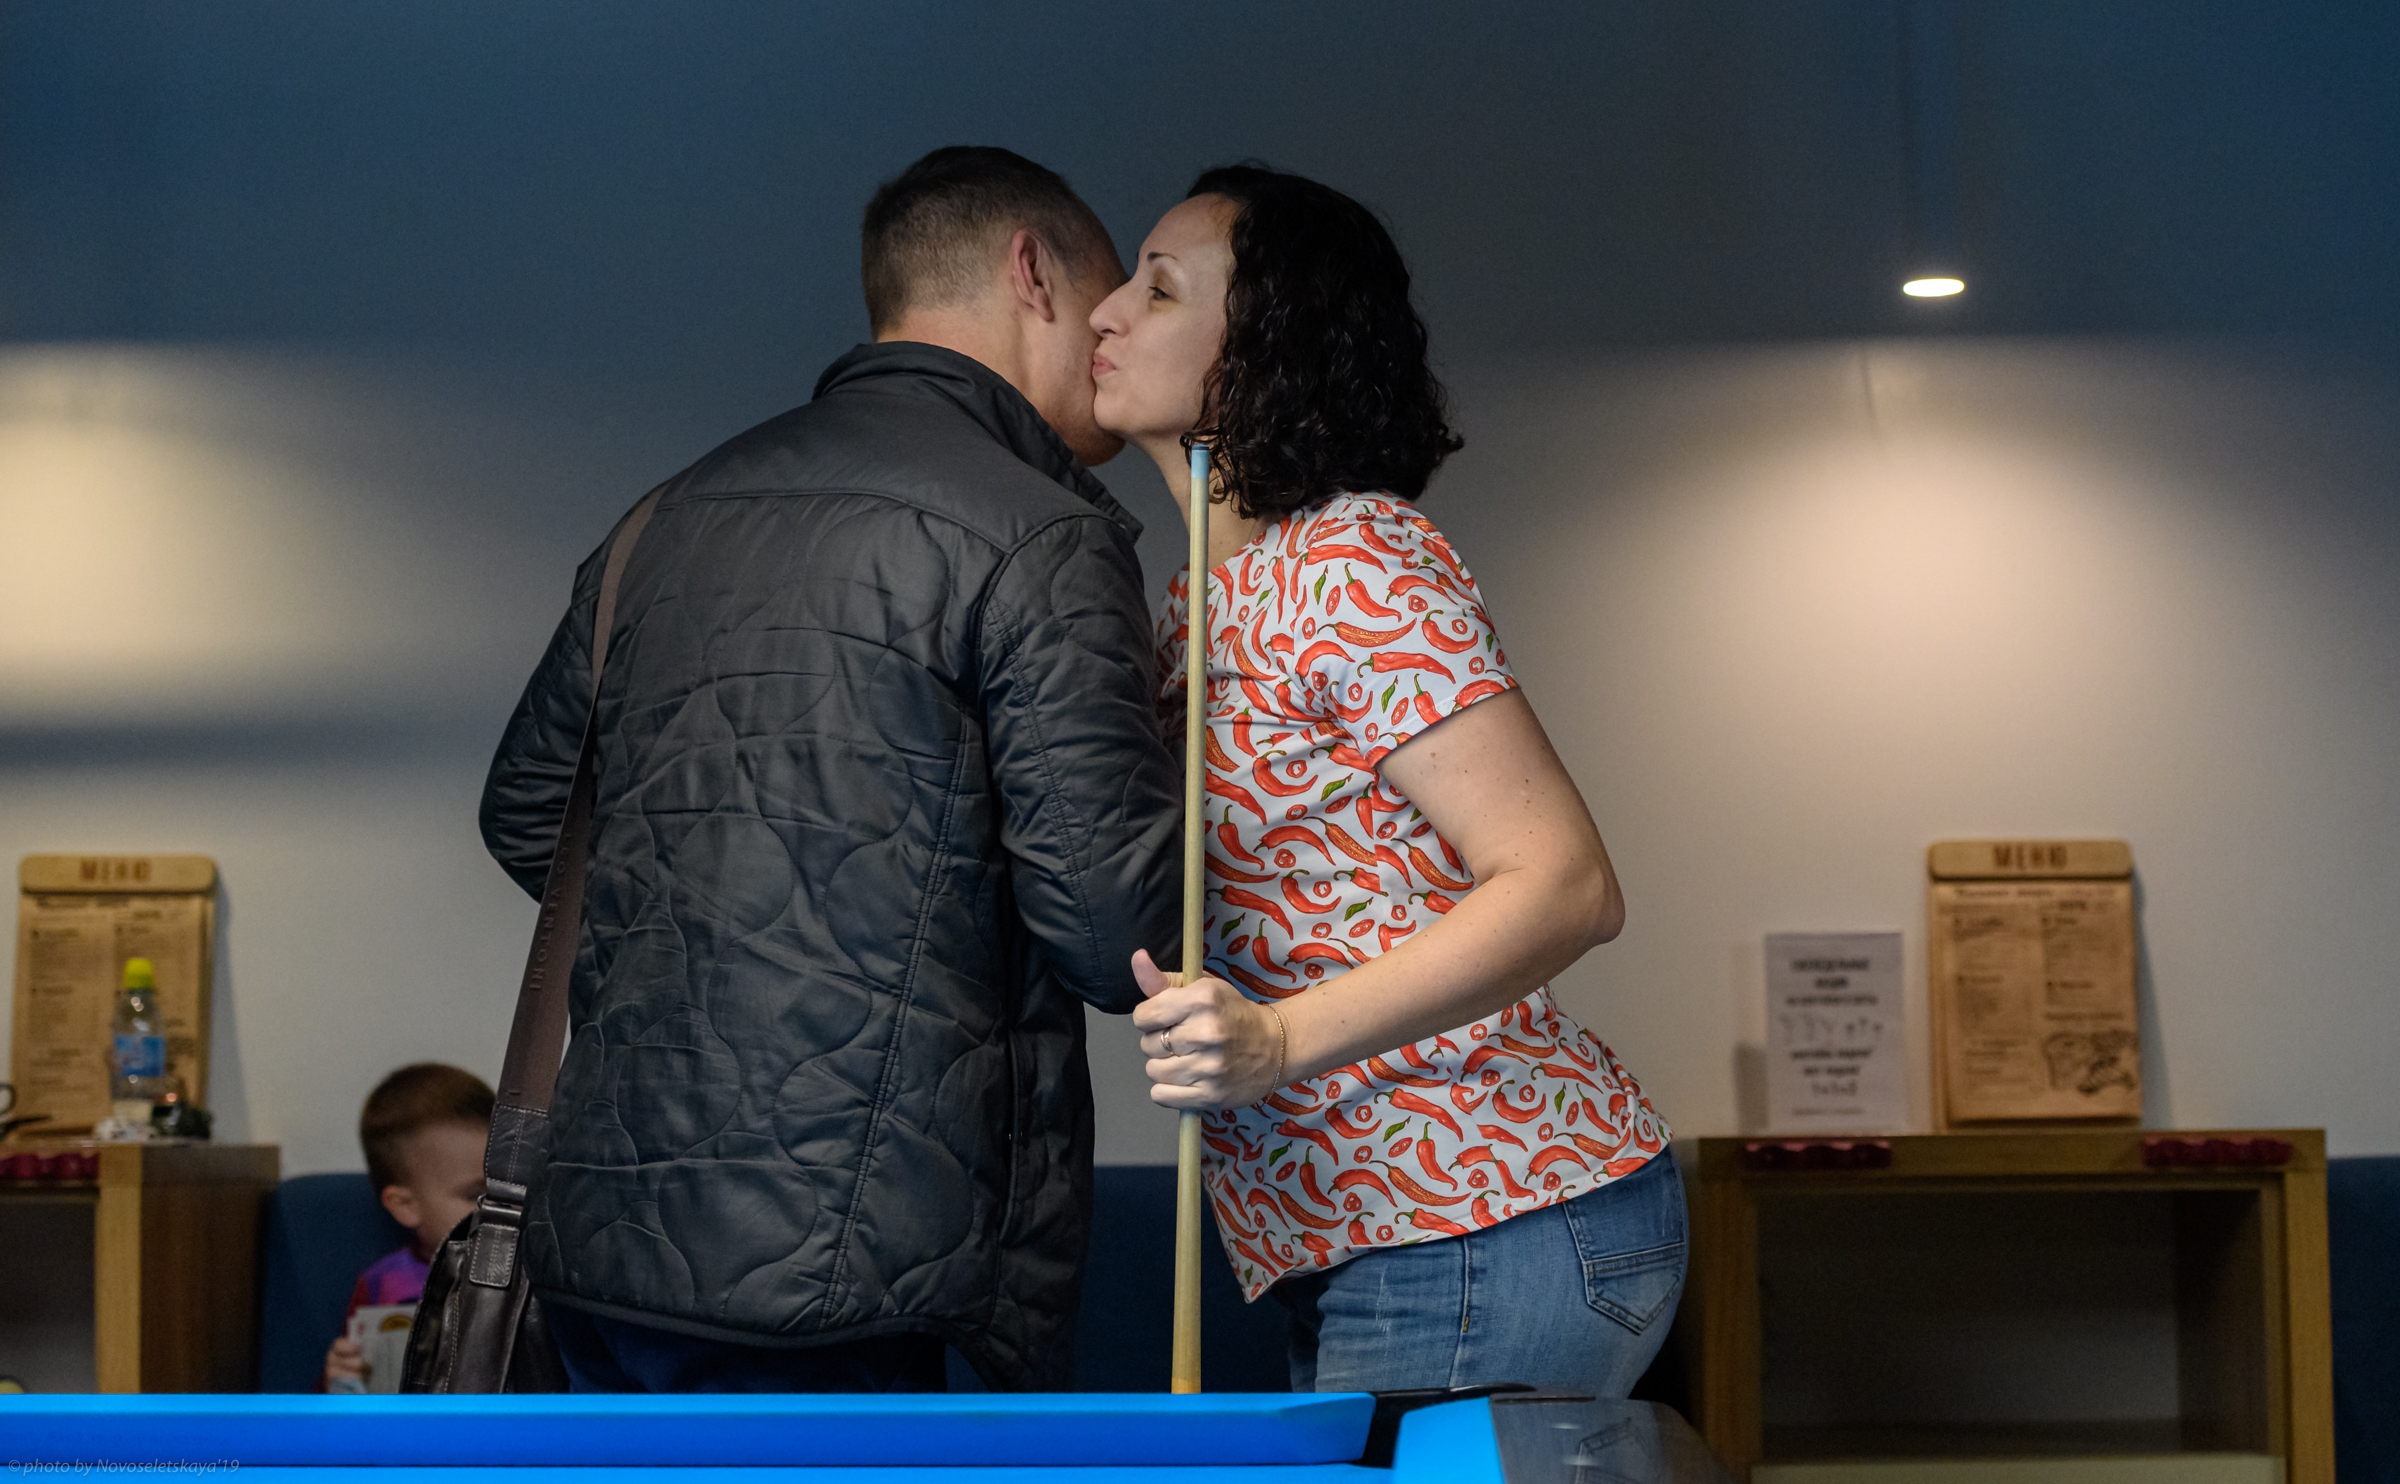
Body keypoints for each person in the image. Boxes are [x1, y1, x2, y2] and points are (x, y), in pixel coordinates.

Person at [479, 147, 1184, 1394]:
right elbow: (1118, 934)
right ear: (1032, 272)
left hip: (604, 1246)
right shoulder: (1040, 534)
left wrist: (740, 914)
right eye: (1110, 288)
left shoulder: (662, 517)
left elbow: (530, 813)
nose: (1118, 323)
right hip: (875, 1270)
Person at [1088, 165, 1683, 1396]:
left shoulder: (1354, 556)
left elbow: (1568, 884)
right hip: (1370, 1235)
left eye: (1159, 289)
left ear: (1261, 348)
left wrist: (1276, 1038)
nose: (1106, 311)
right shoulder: (1196, 603)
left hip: (1492, 1212)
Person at [323, 1063, 492, 1393]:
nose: (502, 1207)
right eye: (476, 1194)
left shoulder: (532, 1273)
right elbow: (343, 1396)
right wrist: (342, 1378)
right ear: (406, 1206)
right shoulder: (382, 1285)